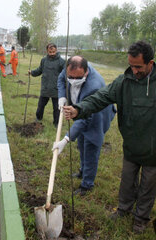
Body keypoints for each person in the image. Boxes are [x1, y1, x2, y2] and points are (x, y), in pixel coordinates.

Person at [62, 41, 156, 233]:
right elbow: (100, 97)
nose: (134, 70)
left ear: (150, 63)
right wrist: (79, 109)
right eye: (131, 65)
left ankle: (141, 218)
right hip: (132, 144)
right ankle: (123, 209)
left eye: (138, 66)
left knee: (148, 186)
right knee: (127, 181)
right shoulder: (124, 81)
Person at [52, 56, 116, 196]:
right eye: (71, 77)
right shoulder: (68, 69)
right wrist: (62, 97)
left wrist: (66, 139)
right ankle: (82, 170)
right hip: (79, 111)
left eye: (78, 78)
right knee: (81, 143)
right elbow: (61, 79)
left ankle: (87, 184)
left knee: (91, 147)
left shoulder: (94, 86)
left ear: (86, 72)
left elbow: (86, 118)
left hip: (97, 115)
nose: (73, 81)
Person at [28, 43, 65, 127]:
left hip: (56, 89)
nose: (52, 53)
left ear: (56, 50)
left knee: (56, 108)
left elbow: (65, 74)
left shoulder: (62, 62)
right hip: (45, 87)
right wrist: (32, 72)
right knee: (40, 105)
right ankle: (38, 118)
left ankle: (56, 123)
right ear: (47, 51)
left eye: (53, 52)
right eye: (50, 52)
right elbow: (40, 70)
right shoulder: (44, 60)